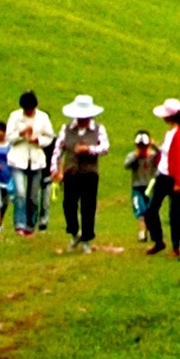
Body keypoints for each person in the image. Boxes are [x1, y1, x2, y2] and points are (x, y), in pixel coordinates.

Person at [58, 96, 109, 250]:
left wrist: (89, 149)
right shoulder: (66, 129)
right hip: (71, 172)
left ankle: (87, 238)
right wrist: (55, 170)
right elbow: (58, 149)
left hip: (89, 173)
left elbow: (105, 147)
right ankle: (74, 233)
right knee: (69, 205)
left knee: (88, 206)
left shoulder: (99, 129)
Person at [5, 91, 57, 238]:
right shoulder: (15, 116)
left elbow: (49, 136)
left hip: (36, 160)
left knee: (33, 196)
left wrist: (38, 141)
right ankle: (19, 224)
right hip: (18, 158)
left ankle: (30, 225)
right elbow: (9, 138)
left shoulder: (43, 117)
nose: (29, 112)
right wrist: (21, 134)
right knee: (20, 192)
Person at [147, 98, 180, 257]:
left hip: (173, 178)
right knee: (151, 210)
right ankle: (159, 241)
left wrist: (179, 182)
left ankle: (176, 246)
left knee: (174, 213)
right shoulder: (170, 133)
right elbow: (167, 153)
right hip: (162, 175)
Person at [126, 130, 162, 246]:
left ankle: (153, 231)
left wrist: (155, 146)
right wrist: (136, 157)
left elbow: (163, 154)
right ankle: (142, 232)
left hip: (150, 185)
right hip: (137, 186)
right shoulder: (133, 156)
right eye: (140, 146)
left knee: (150, 210)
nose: (142, 148)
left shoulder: (152, 156)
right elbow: (126, 165)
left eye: (144, 146)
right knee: (140, 210)